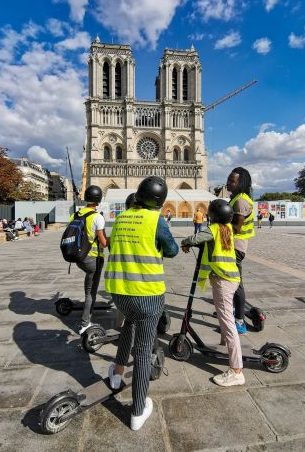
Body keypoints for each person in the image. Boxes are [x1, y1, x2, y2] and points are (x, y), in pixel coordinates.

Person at [105, 176, 178, 431]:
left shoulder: (122, 217)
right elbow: (172, 250)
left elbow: (115, 245)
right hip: (147, 294)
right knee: (145, 349)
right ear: (160, 200)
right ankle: (137, 410)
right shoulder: (155, 219)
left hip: (119, 292)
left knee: (128, 327)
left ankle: (116, 374)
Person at [180, 199, 244, 387]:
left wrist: (185, 242)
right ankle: (226, 346)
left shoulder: (214, 229)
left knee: (227, 322)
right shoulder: (229, 229)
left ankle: (236, 370)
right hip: (231, 279)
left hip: (223, 281)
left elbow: (196, 238)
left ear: (213, 216)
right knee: (227, 317)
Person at [70, 185, 109, 335]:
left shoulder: (76, 215)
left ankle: (88, 313)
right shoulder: (97, 217)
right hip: (93, 260)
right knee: (90, 293)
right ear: (98, 200)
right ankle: (85, 323)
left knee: (88, 288)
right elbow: (104, 243)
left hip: (78, 258)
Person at [226, 167, 255, 334]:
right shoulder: (236, 198)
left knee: (236, 284)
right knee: (232, 282)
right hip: (233, 246)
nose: (228, 183)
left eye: (232, 181)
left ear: (240, 183)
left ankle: (239, 321)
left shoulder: (241, 201)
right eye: (229, 179)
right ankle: (233, 314)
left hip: (236, 247)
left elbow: (236, 228)